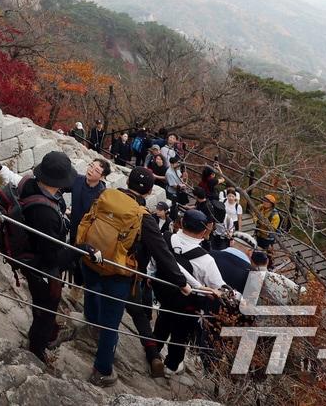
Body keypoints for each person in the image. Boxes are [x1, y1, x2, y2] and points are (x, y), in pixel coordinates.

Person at [80, 166, 159, 387]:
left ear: (127, 180)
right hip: (118, 273)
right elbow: (162, 254)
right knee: (111, 323)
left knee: (92, 290)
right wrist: (182, 283)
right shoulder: (144, 217)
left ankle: (91, 324)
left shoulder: (107, 195)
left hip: (90, 258)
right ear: (150, 192)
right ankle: (102, 370)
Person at [15, 151, 84, 368]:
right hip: (39, 266)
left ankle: (40, 339)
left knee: (43, 309)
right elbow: (51, 258)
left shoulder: (30, 185)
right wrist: (78, 250)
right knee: (45, 308)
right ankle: (36, 351)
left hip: (31, 252)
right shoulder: (45, 213)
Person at [147, 208, 227, 378]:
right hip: (188, 305)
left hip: (163, 295)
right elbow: (218, 286)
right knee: (180, 337)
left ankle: (152, 354)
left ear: (182, 223)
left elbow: (154, 262)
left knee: (162, 323)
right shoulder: (206, 260)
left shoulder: (165, 238)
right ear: (203, 231)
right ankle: (170, 367)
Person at [126, 195, 189, 373]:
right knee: (140, 315)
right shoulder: (148, 221)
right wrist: (182, 283)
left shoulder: (141, 219)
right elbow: (158, 252)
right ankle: (153, 353)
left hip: (117, 268)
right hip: (134, 274)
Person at [67, 159, 109, 249]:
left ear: (102, 177)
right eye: (91, 166)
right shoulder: (78, 179)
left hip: (87, 233)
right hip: (73, 225)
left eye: (96, 171)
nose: (91, 170)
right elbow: (61, 187)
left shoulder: (102, 195)